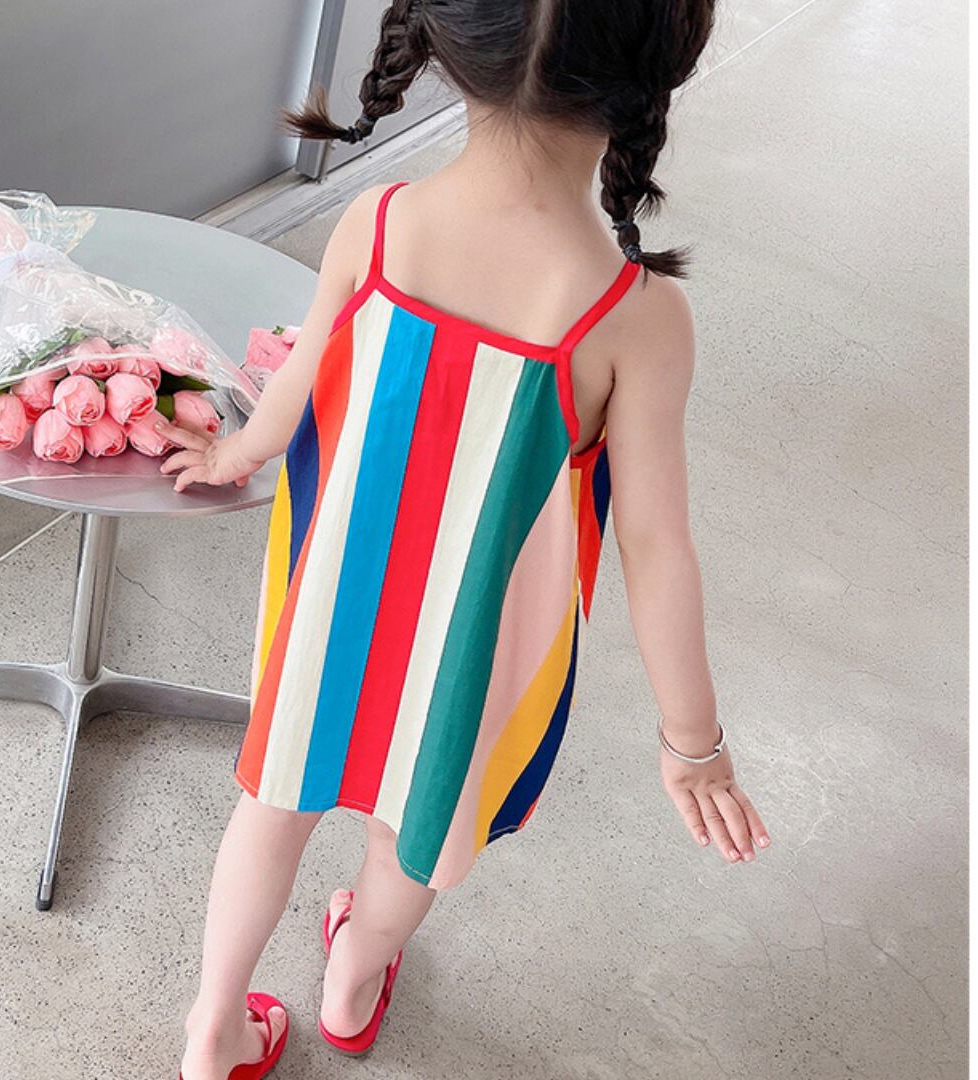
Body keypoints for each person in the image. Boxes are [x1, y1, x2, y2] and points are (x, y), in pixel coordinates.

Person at [167, 1, 769, 1076]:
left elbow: (302, 379)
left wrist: (238, 452)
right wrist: (694, 742)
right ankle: (353, 983)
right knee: (414, 835)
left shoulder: (379, 223)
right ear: (653, 73)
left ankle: (214, 1027)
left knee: (272, 804)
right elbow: (656, 548)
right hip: (475, 658)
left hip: (331, 608)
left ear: (448, 44)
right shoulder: (633, 319)